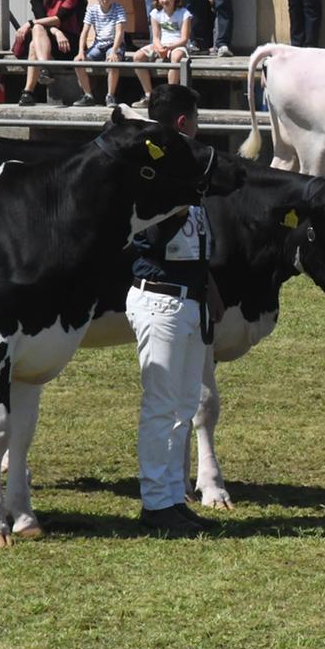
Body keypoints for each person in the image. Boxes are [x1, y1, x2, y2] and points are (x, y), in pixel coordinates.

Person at [129, 83, 225, 537]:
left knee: (184, 404)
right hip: (160, 296)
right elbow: (147, 238)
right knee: (162, 405)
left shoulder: (183, 176)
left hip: (187, 298)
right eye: (198, 121)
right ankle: (155, 503)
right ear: (184, 123)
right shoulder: (150, 173)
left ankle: (171, 497)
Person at [16, 0, 84, 106]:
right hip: (49, 38)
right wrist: (55, 31)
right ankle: (44, 67)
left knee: (35, 39)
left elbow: (60, 18)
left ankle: (28, 91)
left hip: (68, 42)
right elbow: (43, 20)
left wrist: (29, 23)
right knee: (37, 32)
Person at [131, 0, 192, 106]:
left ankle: (170, 95)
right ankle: (148, 95)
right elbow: (156, 36)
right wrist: (159, 47)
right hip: (161, 44)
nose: (165, 0)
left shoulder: (184, 13)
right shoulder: (155, 14)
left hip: (177, 45)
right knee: (137, 56)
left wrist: (168, 48)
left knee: (176, 58)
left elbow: (184, 38)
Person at [74, 0, 128, 107]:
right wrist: (81, 51)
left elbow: (119, 32)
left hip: (114, 44)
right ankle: (88, 95)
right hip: (98, 45)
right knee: (77, 62)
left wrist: (114, 51)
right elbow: (84, 32)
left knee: (113, 62)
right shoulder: (92, 10)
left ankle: (110, 95)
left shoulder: (118, 9)